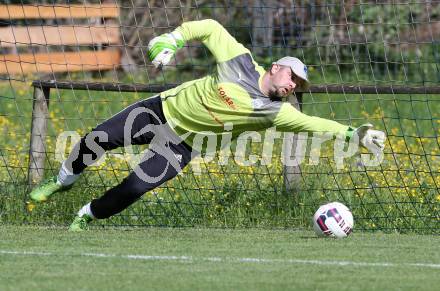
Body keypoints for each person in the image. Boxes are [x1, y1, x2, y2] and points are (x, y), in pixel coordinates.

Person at [29, 19, 386, 231]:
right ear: (277, 67)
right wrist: (173, 38)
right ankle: (62, 179)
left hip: (181, 146)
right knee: (97, 139)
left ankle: (86, 215)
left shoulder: (275, 111)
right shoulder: (240, 61)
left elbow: (313, 124)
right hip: (159, 111)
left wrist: (353, 134)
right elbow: (211, 27)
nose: (294, 87)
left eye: (299, 86)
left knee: (134, 188)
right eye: (293, 77)